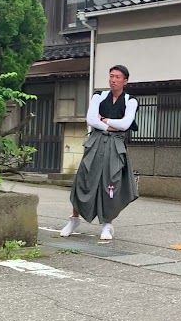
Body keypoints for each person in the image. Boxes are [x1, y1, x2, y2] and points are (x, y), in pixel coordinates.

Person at [60, 65, 139, 240]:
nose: (113, 80)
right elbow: (90, 119)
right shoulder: (99, 96)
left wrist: (104, 120)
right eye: (111, 76)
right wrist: (108, 126)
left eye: (117, 77)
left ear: (125, 81)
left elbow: (125, 124)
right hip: (95, 142)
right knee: (84, 178)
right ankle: (74, 219)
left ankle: (107, 224)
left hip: (116, 146)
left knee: (111, 183)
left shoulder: (130, 100)